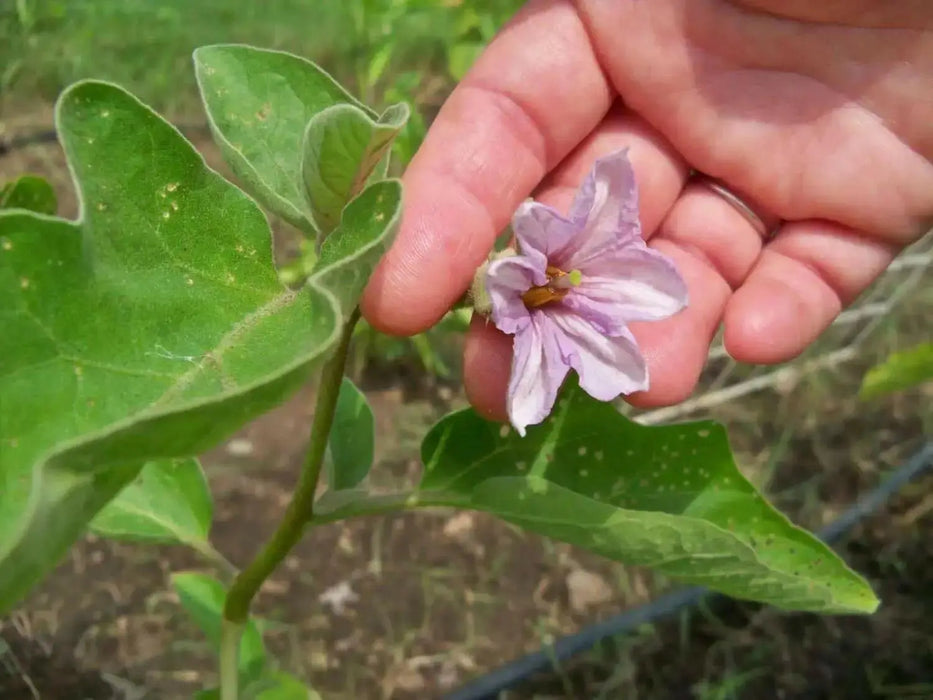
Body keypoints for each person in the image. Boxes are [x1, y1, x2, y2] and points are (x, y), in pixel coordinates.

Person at [360, 0, 933, 422]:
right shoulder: (530, 268)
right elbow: (535, 260)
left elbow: (541, 269)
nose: (556, 283)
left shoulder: (535, 274)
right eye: (554, 283)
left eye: (550, 283)